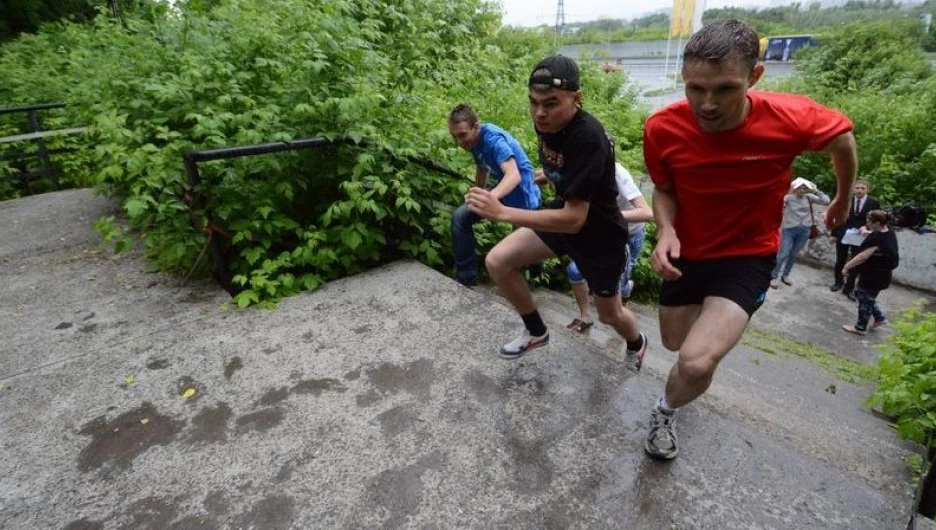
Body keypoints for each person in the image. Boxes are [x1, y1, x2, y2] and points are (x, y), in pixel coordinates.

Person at [642, 19, 857, 460]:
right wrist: (665, 230)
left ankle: (665, 410)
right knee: (674, 344)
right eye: (695, 88)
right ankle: (703, 338)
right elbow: (663, 189)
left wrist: (842, 198)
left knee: (697, 361)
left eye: (724, 89)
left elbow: (843, 140)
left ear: (755, 78)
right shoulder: (663, 128)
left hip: (748, 255)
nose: (707, 104)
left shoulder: (790, 117)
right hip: (688, 252)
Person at [465, 55, 648, 371]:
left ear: (577, 98)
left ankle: (637, 343)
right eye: (533, 102)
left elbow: (575, 219)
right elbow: (566, 170)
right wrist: (548, 174)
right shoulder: (547, 125)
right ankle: (536, 331)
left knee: (609, 314)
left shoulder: (589, 137)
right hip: (563, 218)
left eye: (550, 104)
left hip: (599, 237)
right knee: (498, 261)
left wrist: (503, 212)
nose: (539, 112)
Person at [448, 104, 541, 287]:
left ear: (476, 126)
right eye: (455, 136)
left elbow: (514, 175)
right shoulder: (473, 141)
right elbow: (482, 167)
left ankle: (535, 268)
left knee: (521, 250)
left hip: (522, 193)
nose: (459, 141)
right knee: (460, 218)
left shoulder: (493, 140)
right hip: (503, 188)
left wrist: (491, 197)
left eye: (462, 135)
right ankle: (466, 279)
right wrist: (479, 192)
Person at [564, 162, 653, 332]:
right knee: (575, 270)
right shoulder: (579, 168)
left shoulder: (618, 174)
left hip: (629, 235)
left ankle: (626, 288)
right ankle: (585, 316)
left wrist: (610, 216)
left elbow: (646, 212)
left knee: (617, 288)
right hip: (603, 234)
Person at [841, 210, 899, 335]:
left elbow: (862, 256)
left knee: (863, 297)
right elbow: (878, 240)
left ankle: (860, 327)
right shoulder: (887, 230)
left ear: (877, 223)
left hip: (875, 275)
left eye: (869, 221)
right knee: (865, 296)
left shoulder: (877, 240)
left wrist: (847, 266)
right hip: (882, 273)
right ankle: (879, 318)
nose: (867, 223)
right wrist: (867, 233)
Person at [769, 179, 830, 288]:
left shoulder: (809, 197)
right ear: (795, 188)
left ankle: (785, 275)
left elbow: (826, 201)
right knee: (783, 253)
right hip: (789, 230)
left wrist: (816, 190)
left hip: (804, 230)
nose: (801, 190)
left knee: (793, 255)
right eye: (799, 188)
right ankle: (774, 276)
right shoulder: (789, 198)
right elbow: (777, 201)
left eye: (804, 188)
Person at [831, 180, 880, 300]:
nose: (859, 190)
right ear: (853, 189)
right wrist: (833, 234)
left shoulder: (873, 203)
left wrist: (867, 227)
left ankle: (849, 288)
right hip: (844, 234)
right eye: (857, 188)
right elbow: (838, 217)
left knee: (856, 263)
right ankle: (838, 282)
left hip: (861, 236)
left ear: (867, 189)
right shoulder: (846, 200)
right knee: (840, 260)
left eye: (863, 188)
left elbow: (877, 220)